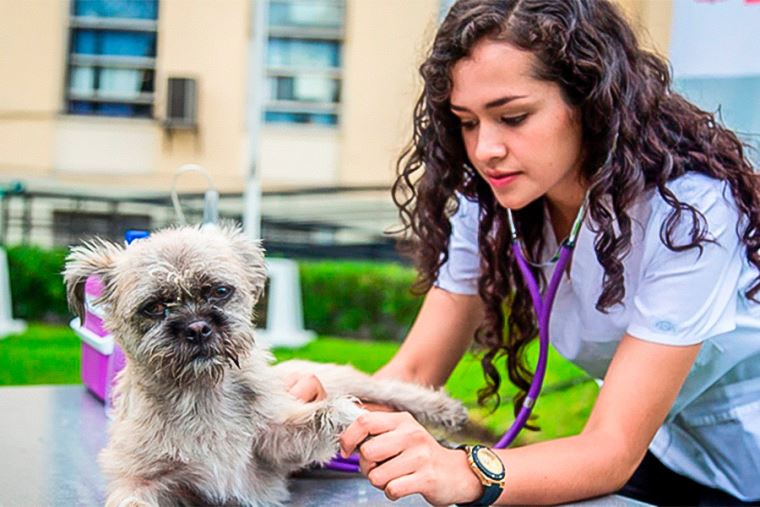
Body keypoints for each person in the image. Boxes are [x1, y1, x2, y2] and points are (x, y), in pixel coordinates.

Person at [286, 0, 760, 504]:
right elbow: (414, 374)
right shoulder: (493, 202)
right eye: (467, 122)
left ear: (591, 102)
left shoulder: (689, 213)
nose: (485, 149)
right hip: (673, 449)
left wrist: (466, 469)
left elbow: (611, 448)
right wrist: (319, 406)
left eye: (513, 116)